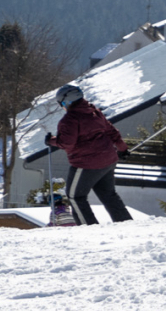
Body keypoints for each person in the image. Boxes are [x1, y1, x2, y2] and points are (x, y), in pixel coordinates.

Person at [46, 85, 133, 226]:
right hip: (108, 160)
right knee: (109, 195)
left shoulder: (70, 119)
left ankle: (89, 228)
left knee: (75, 196)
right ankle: (126, 224)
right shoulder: (95, 112)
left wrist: (51, 141)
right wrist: (122, 149)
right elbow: (112, 132)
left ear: (66, 102)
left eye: (61, 103)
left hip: (86, 164)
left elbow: (67, 143)